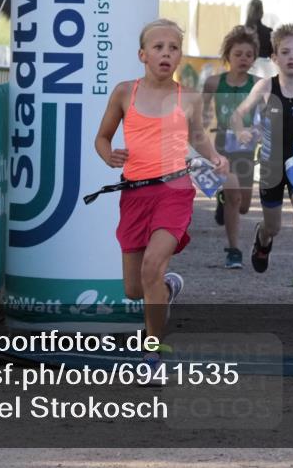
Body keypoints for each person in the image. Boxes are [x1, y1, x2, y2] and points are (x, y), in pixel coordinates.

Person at [94, 19, 229, 370]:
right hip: (134, 194)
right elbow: (102, 137)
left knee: (153, 264)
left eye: (173, 48)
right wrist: (108, 155)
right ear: (143, 55)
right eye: (158, 47)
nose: (166, 53)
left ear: (179, 57)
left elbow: (197, 135)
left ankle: (152, 353)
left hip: (175, 190)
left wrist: (214, 156)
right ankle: (166, 290)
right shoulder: (126, 92)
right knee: (135, 290)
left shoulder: (189, 98)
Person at [231, 23, 293, 311]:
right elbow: (238, 115)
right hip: (271, 166)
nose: (292, 57)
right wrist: (240, 132)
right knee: (273, 226)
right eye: (285, 52)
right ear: (274, 57)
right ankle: (262, 239)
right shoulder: (265, 87)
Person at [202, 26, 260, 268]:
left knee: (244, 205)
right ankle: (233, 250)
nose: (243, 59)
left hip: (247, 149)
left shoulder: (259, 85)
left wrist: (260, 130)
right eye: (238, 54)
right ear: (228, 56)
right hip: (222, 146)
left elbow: (267, 116)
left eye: (248, 54)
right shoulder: (214, 83)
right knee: (233, 196)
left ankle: (222, 201)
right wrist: (201, 124)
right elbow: (201, 111)